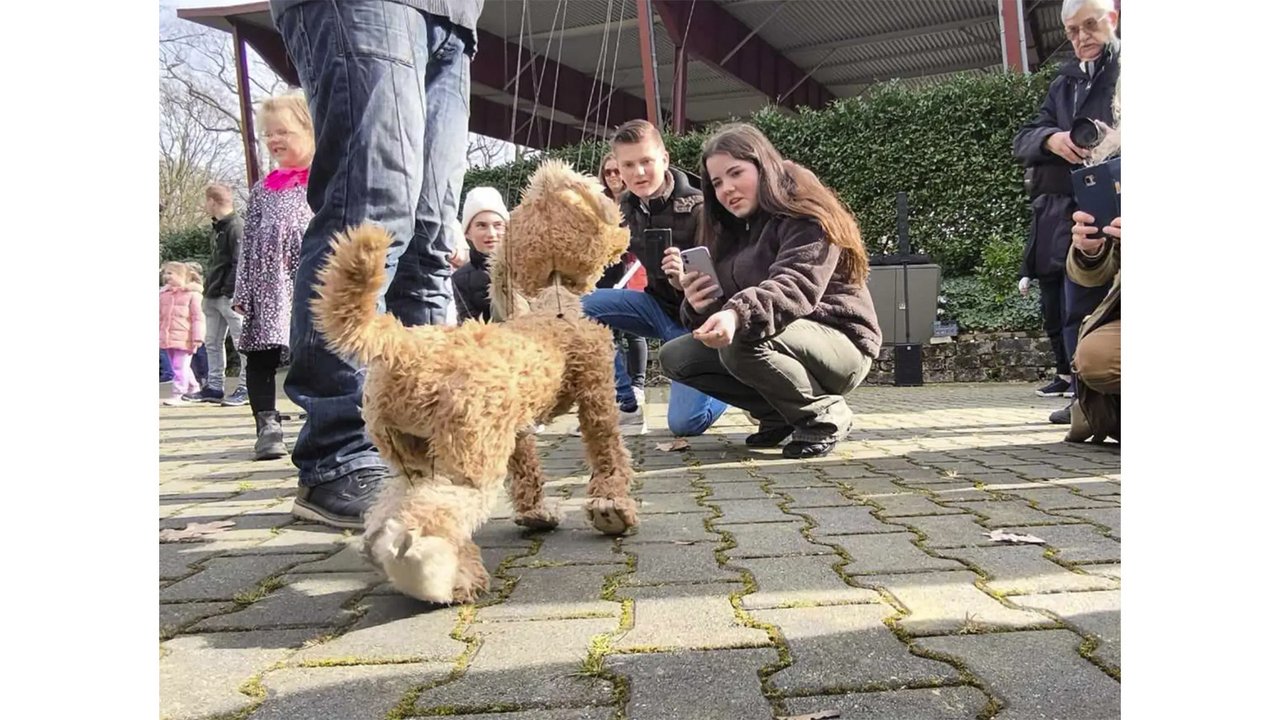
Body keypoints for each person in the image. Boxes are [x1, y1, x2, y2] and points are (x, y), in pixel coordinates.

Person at [270, 0, 483, 528]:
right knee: (368, 217)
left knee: (431, 239)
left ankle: (420, 445)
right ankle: (339, 454)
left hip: (456, 19)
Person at [658, 123, 882, 459]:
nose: (727, 189)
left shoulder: (807, 214)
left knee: (741, 342)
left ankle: (823, 415)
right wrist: (699, 302)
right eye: (717, 183)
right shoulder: (728, 232)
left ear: (763, 167)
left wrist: (735, 315)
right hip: (779, 338)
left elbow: (795, 285)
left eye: (736, 173)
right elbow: (727, 310)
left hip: (841, 343)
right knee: (676, 356)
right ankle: (778, 414)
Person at [582, 120, 728, 437]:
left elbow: (723, 288)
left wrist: (683, 281)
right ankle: (626, 403)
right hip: (654, 306)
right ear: (618, 169)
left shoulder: (700, 207)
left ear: (664, 158)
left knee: (684, 424)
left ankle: (731, 390)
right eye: (629, 165)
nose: (639, 173)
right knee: (575, 307)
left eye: (646, 161)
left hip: (696, 322)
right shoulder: (626, 207)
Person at [1011, 0, 1119, 424]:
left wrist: (1115, 142)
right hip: (1075, 208)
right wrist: (1052, 139)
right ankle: (1083, 399)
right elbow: (1024, 138)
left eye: (1089, 25)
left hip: (1120, 195)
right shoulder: (1063, 82)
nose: (1080, 38)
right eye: (1071, 31)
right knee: (1076, 303)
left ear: (1111, 19)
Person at [232, 93, 315, 461]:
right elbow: (248, 243)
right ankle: (267, 425)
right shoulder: (263, 190)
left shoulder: (325, 181)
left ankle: (322, 422)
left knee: (316, 355)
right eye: (268, 134)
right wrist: (244, 291)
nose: (274, 140)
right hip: (270, 286)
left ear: (310, 131)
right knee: (261, 355)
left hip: (310, 283)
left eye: (283, 131)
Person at [185, 183, 249, 406]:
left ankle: (245, 386)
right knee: (212, 342)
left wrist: (229, 291)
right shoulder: (219, 227)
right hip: (213, 294)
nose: (205, 205)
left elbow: (239, 261)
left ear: (213, 201)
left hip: (227, 295)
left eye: (206, 201)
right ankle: (214, 386)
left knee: (241, 342)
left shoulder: (235, 226)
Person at [597, 152, 649, 408]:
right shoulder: (599, 203)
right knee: (608, 331)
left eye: (617, 171)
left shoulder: (637, 202)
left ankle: (638, 385)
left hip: (632, 267)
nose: (613, 176)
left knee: (634, 332)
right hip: (606, 270)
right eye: (608, 172)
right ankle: (618, 387)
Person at [451, 186, 509, 323]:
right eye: (481, 225)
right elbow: (469, 327)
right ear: (467, 233)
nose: (491, 234)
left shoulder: (528, 270)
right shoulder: (460, 279)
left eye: (498, 225)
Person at [159, 262, 205, 407]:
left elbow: (198, 318)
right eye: (166, 273)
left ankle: (178, 393)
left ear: (182, 275)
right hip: (168, 337)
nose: (167, 276)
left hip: (185, 338)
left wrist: (198, 336)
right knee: (178, 366)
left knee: (180, 366)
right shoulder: (163, 295)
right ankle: (193, 387)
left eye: (171, 273)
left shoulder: (193, 295)